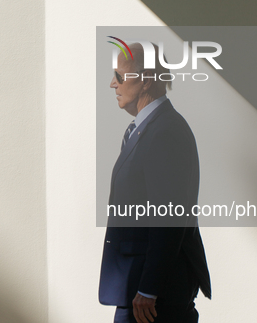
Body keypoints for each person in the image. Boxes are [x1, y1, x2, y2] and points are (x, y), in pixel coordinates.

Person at [99, 43, 211, 323]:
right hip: (136, 288)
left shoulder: (165, 132)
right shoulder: (143, 129)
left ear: (146, 80)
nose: (113, 83)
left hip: (152, 298)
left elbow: (168, 216)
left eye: (120, 76)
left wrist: (149, 289)